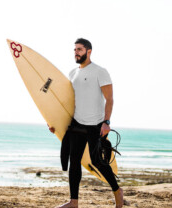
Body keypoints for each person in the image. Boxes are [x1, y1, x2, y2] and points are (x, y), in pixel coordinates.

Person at [49, 38, 123, 208]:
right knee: (74, 161)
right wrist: (56, 123)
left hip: (95, 124)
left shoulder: (100, 72)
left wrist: (106, 122)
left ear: (89, 51)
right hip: (77, 123)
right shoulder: (72, 74)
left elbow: (109, 99)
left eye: (80, 49)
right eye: (75, 49)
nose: (76, 52)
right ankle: (73, 202)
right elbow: (67, 102)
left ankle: (117, 191)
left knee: (97, 161)